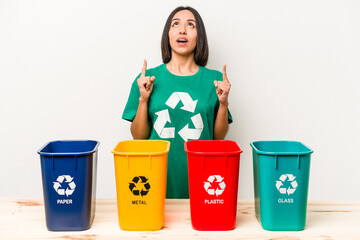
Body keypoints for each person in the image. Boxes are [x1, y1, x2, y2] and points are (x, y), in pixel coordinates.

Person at [122, 6, 232, 199]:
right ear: (168, 35)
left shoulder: (215, 80)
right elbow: (138, 138)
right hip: (156, 177)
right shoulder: (148, 79)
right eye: (176, 24)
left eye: (191, 25)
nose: (182, 30)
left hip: (204, 178)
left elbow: (218, 137)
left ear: (200, 36)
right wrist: (143, 100)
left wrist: (223, 104)